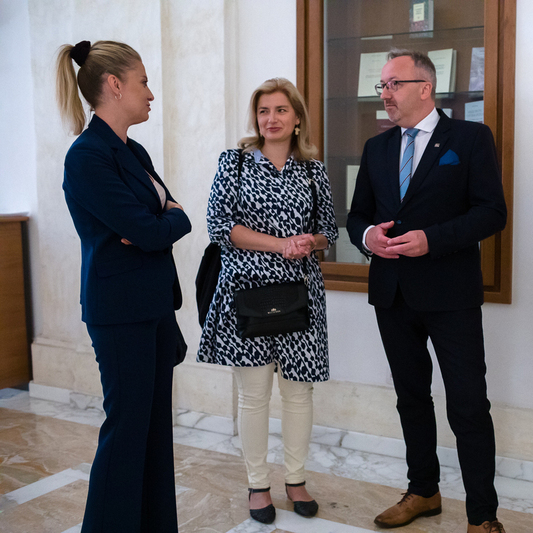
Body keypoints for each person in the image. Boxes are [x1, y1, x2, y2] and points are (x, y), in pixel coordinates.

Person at [347, 49, 508, 533]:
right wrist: (368, 237)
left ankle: (483, 516)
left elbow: (491, 212)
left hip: (451, 294)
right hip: (392, 293)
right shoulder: (377, 147)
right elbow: (358, 216)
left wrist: (432, 240)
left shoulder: (471, 139)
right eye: (382, 85)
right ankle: (424, 491)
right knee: (410, 398)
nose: (385, 94)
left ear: (425, 87)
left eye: (393, 84)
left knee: (468, 404)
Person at [56, 40, 192, 533]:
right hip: (119, 313)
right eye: (143, 82)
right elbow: (156, 227)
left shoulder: (133, 151)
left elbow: (168, 221)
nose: (151, 93)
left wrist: (160, 223)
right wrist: (161, 222)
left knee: (154, 434)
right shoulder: (87, 157)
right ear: (115, 85)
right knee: (127, 433)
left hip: (154, 307)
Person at [198, 77, 337, 524]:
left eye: (280, 110)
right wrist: (281, 245)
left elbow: (329, 231)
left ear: (297, 119)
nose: (270, 119)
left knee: (298, 392)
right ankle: (258, 485)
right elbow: (219, 226)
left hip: (301, 294)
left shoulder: (313, 170)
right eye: (263, 111)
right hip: (246, 292)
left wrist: (310, 241)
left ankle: (295, 480)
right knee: (254, 395)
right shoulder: (235, 162)